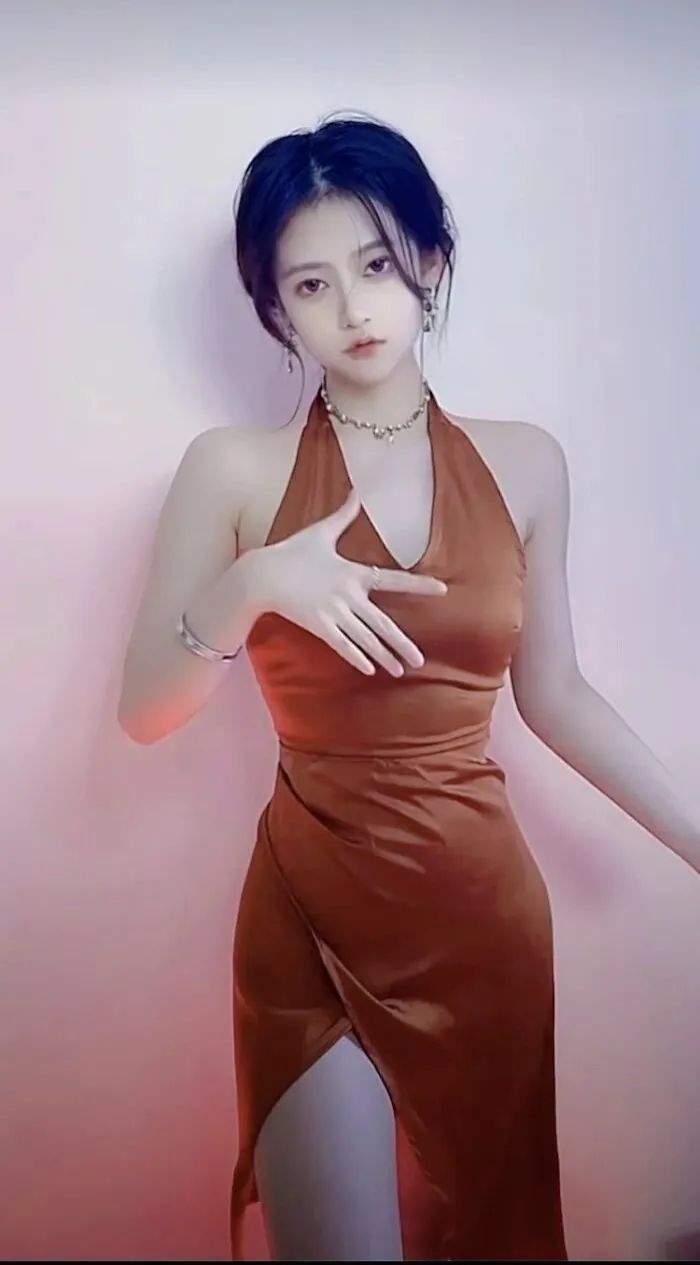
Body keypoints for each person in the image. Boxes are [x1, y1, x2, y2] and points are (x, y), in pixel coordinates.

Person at [118, 110, 570, 1261]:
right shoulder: (233, 467)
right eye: (310, 285)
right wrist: (252, 584)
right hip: (310, 909)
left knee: (495, 1233)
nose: (353, 308)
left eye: (375, 265)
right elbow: (145, 711)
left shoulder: (525, 460)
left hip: (481, 908)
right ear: (275, 310)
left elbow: (557, 693)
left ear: (431, 257)